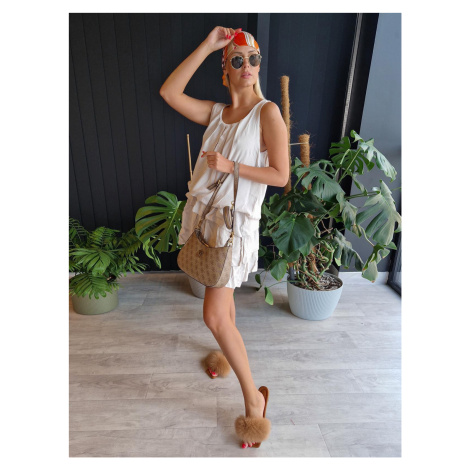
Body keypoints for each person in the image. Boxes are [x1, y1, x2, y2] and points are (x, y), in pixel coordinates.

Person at [159, 26, 289, 449]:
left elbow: (281, 175)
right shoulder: (217, 112)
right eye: (237, 60)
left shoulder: (267, 113)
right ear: (225, 71)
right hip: (207, 221)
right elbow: (169, 93)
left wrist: (231, 166)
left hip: (234, 228)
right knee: (224, 305)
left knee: (213, 317)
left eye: (253, 58)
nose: (247, 66)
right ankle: (225, 358)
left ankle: (255, 400)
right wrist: (209, 44)